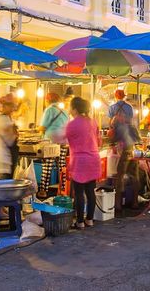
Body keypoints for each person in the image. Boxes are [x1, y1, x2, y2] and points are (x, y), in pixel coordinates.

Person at [65, 97, 101, 229]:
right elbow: (97, 139)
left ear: (75, 109)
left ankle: (79, 222)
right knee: (90, 191)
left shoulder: (72, 124)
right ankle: (89, 219)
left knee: (79, 192)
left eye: (70, 107)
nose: (69, 110)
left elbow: (64, 138)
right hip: (93, 159)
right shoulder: (93, 121)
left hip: (80, 160)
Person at [108, 90, 139, 213]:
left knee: (120, 176)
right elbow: (138, 140)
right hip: (134, 150)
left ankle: (118, 205)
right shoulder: (129, 109)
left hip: (124, 151)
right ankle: (135, 202)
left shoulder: (112, 110)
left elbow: (112, 136)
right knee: (135, 176)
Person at [0, 96, 18, 179]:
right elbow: (10, 140)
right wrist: (14, 130)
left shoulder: (6, 118)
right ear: (5, 106)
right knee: (2, 185)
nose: (13, 109)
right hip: (2, 162)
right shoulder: (2, 119)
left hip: (4, 161)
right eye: (11, 106)